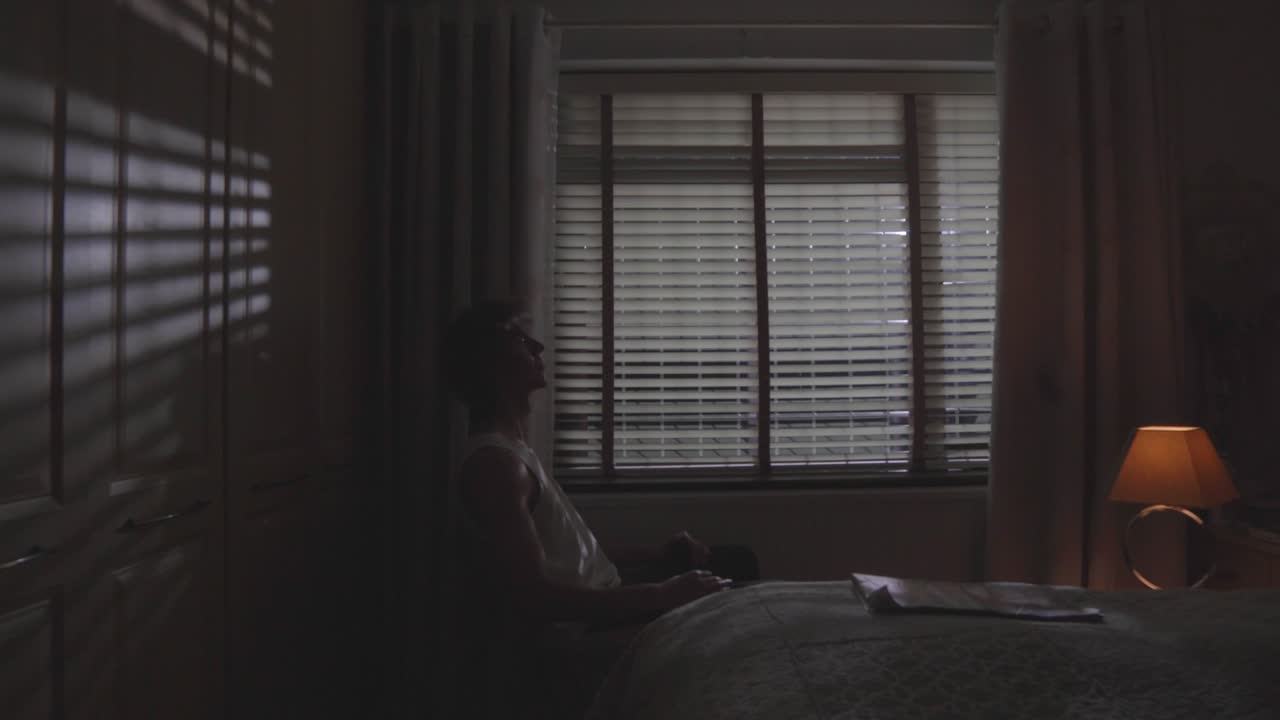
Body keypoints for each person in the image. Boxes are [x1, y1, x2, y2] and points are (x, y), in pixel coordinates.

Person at [445, 300, 734, 628]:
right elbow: (533, 597)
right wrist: (662, 595)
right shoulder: (495, 466)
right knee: (737, 588)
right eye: (522, 341)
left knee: (733, 560)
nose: (538, 347)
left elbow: (570, 563)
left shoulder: (516, 452)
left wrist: (656, 556)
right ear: (492, 363)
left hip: (611, 596)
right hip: (593, 630)